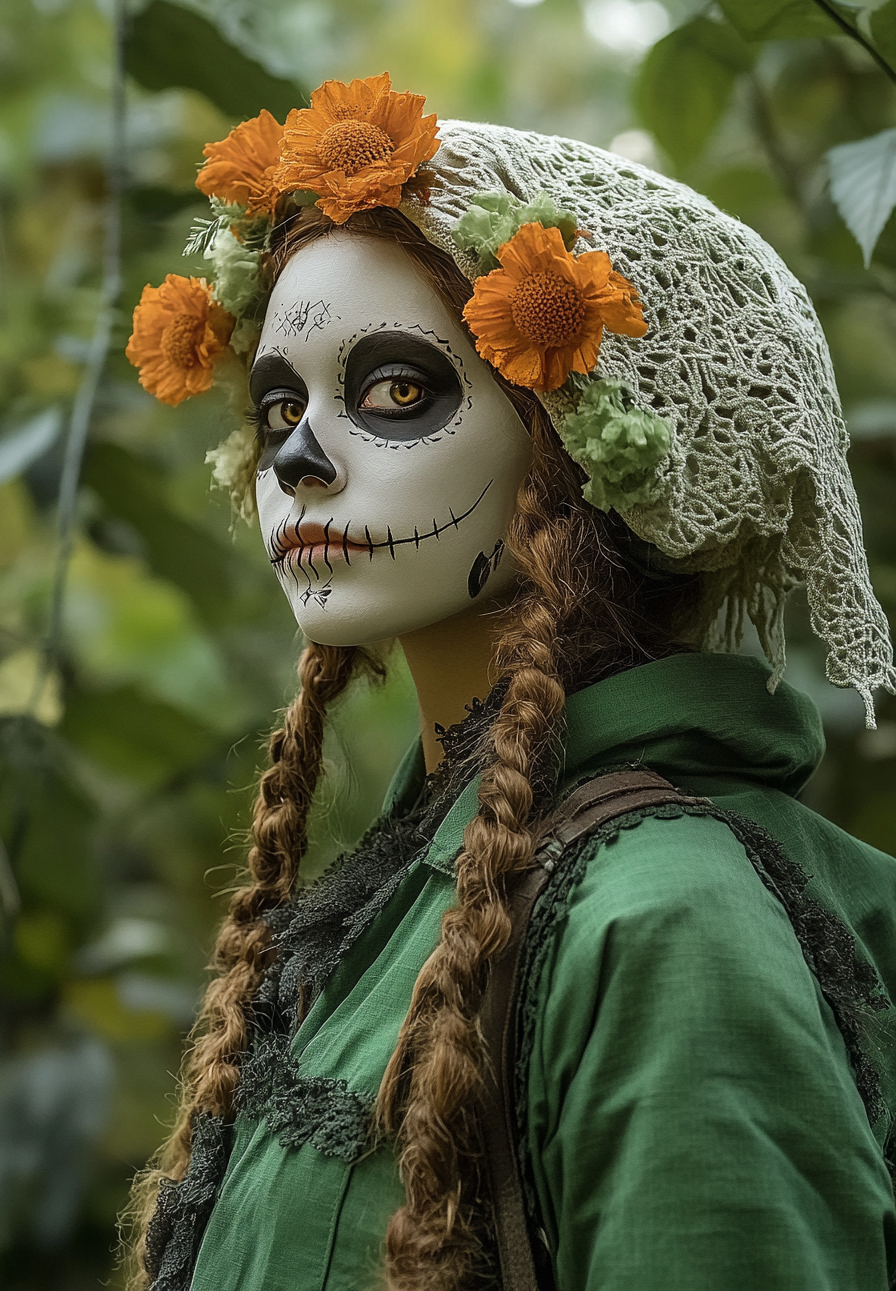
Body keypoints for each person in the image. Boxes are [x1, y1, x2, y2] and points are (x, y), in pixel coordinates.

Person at [122, 73, 896, 1291]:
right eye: (277, 405)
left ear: (578, 439)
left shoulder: (664, 926)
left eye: (392, 390)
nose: (297, 461)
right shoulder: (411, 878)